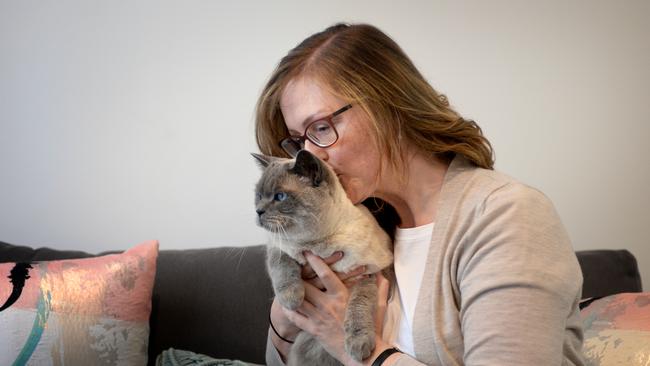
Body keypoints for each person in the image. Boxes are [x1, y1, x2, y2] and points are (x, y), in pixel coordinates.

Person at [254, 23, 584, 366]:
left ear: (387, 104)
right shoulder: (366, 230)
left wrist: (357, 349)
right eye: (299, 140)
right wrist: (284, 321)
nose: (311, 155)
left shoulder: (506, 216)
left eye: (321, 127)